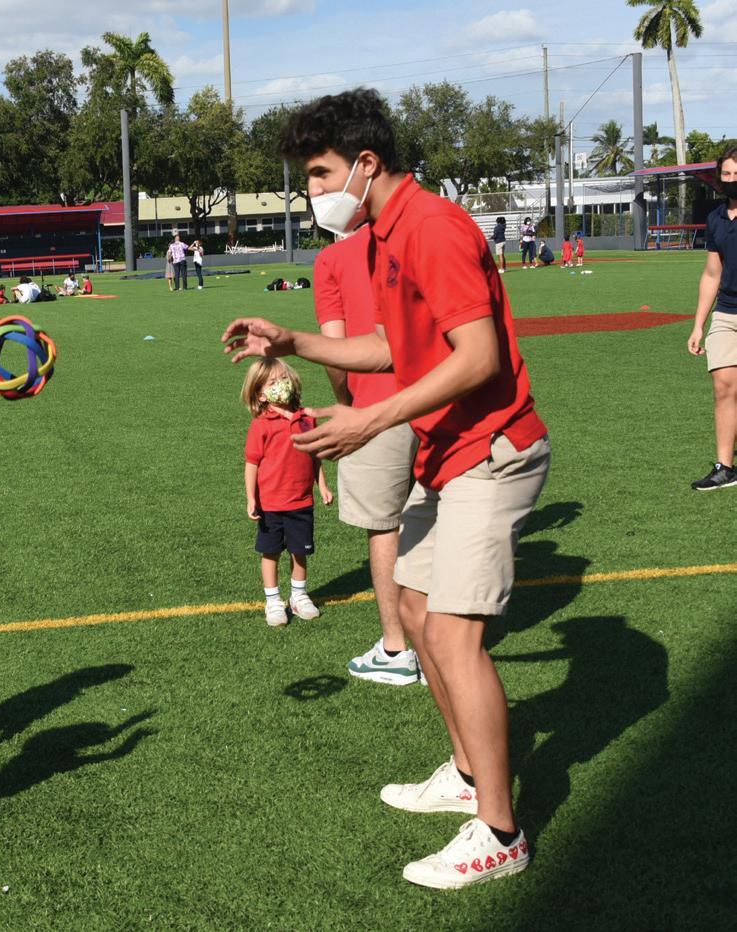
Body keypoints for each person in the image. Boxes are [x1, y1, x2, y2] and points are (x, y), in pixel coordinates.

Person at [223, 88, 550, 890]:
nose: (311, 191)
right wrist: (292, 339)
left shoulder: (432, 227)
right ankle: (468, 777)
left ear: (365, 163)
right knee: (411, 611)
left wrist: (370, 421)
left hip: (490, 451)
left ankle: (500, 832)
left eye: (318, 173)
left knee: (451, 636)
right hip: (446, 454)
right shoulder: (382, 233)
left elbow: (478, 357)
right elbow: (393, 346)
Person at [314, 225, 422, 685]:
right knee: (434, 517)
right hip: (439, 396)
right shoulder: (418, 236)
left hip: (376, 405)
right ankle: (441, 646)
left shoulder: (332, 259)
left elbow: (336, 353)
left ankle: (397, 649)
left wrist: (347, 402)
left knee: (384, 525)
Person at [242, 358, 333, 626]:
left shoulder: (306, 419)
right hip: (270, 503)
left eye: (283, 379)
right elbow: (252, 463)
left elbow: (314, 455)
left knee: (299, 551)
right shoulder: (261, 424)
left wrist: (322, 485)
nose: (281, 385)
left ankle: (299, 595)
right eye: (272, 382)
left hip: (301, 501)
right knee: (270, 552)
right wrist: (251, 498)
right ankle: (273, 600)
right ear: (261, 394)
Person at [687, 144, 737, 492]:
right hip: (727, 312)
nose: (732, 179)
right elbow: (711, 273)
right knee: (723, 385)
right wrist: (698, 325)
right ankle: (725, 467)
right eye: (727, 174)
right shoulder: (717, 218)